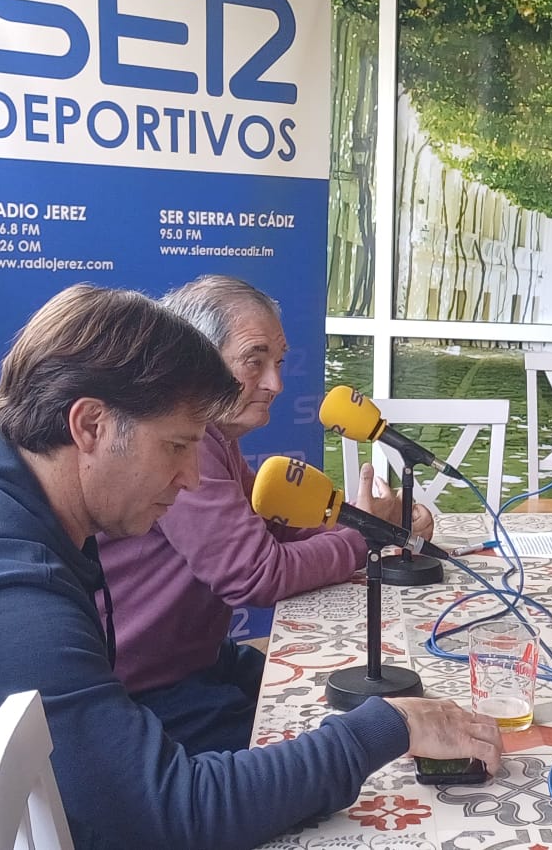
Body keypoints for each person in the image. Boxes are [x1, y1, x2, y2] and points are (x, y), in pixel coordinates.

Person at [0, 284, 500, 850]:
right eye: (177, 447)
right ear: (89, 426)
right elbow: (174, 812)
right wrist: (387, 728)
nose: (187, 481)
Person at [104, 274, 433, 754]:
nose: (276, 383)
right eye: (254, 362)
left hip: (200, 662)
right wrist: (366, 536)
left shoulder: (215, 437)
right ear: (195, 358)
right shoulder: (182, 445)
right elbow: (257, 573)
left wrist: (364, 520)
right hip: (150, 697)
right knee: (358, 749)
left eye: (278, 363)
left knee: (349, 693)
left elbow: (267, 533)